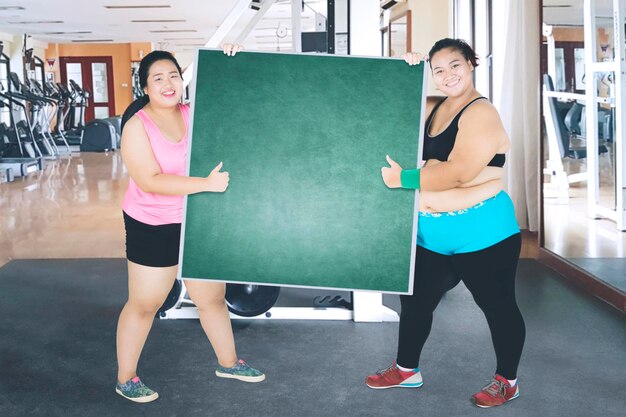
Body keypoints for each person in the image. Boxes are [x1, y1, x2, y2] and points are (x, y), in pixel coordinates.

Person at [367, 38, 526, 409]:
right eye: (438, 69)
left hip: (483, 233)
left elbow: (459, 173)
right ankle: (407, 370)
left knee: (497, 306)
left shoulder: (480, 112)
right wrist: (404, 69)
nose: (447, 74)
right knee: (416, 303)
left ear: (471, 64)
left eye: (455, 65)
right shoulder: (437, 108)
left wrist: (406, 180)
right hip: (433, 233)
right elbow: (390, 107)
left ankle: (507, 381)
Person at [115, 44, 263, 404]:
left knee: (211, 297)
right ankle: (126, 378)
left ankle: (228, 362)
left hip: (198, 219)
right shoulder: (137, 126)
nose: (168, 83)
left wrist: (231, 60)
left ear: (183, 81)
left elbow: (240, 102)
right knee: (146, 303)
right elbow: (150, 179)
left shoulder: (195, 112)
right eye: (158, 78)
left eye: (174, 76)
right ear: (145, 87)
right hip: (153, 222)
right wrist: (205, 186)